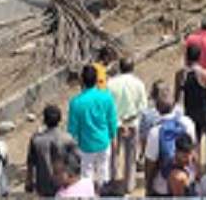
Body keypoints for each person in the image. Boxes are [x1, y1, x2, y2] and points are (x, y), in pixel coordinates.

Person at [68, 64, 118, 190]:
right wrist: (113, 137)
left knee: (86, 177)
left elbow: (72, 130)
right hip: (103, 141)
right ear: (96, 80)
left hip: (85, 145)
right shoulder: (106, 97)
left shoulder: (76, 102)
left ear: (81, 81)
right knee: (104, 172)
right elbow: (112, 120)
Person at [145, 83, 196, 196]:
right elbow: (194, 151)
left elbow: (150, 164)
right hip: (186, 182)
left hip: (162, 187)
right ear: (174, 105)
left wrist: (148, 186)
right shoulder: (188, 123)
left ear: (157, 108)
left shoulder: (155, 132)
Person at [174, 46, 206, 170]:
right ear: (199, 57)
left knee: (194, 142)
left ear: (186, 57)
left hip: (189, 113)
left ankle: (195, 169)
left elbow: (176, 97)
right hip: (205, 113)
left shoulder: (180, 75)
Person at [107, 57, 148, 193]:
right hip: (132, 123)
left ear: (120, 67)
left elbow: (108, 106)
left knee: (114, 154)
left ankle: (112, 181)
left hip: (115, 123)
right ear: (132, 68)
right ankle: (129, 185)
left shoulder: (110, 84)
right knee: (131, 156)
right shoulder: (139, 84)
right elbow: (143, 107)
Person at [25, 105, 76, 197]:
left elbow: (30, 163)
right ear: (60, 119)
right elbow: (74, 165)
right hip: (63, 186)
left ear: (44, 120)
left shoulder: (36, 140)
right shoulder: (68, 138)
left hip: (43, 186)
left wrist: (29, 182)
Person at [138, 80, 165, 168]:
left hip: (150, 153)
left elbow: (143, 137)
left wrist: (143, 154)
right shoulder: (173, 110)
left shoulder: (146, 112)